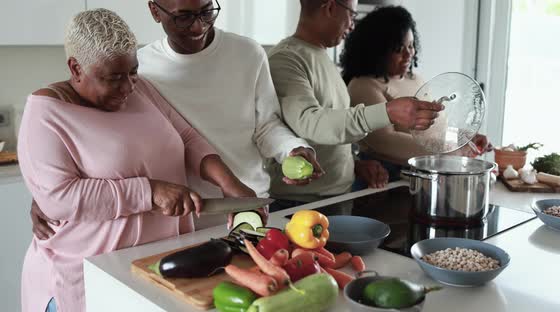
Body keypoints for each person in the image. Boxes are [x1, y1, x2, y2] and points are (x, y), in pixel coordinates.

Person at [19, 9, 254, 312]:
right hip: (88, 276)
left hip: (156, 264)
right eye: (114, 78)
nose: (128, 86)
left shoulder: (141, 89)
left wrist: (230, 185)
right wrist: (150, 192)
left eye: (133, 72)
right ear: (76, 68)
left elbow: (187, 138)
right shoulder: (44, 114)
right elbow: (58, 199)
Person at [30, 0, 324, 236]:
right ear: (155, 10)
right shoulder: (140, 67)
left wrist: (289, 149)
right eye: (184, 16)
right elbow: (81, 157)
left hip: (241, 202)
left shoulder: (246, 54)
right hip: (182, 218)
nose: (198, 26)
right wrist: (46, 192)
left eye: (207, 11)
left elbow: (258, 127)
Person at [266, 0, 444, 207]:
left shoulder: (321, 55)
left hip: (336, 195)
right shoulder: (287, 59)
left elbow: (331, 132)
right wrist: (387, 112)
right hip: (295, 202)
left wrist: (354, 164)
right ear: (331, 8)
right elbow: (311, 123)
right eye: (351, 14)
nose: (352, 24)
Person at [341, 5, 492, 187]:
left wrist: (464, 138)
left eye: (411, 46)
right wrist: (451, 150)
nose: (408, 55)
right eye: (398, 49)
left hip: (425, 175)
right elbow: (386, 142)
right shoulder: (364, 84)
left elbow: (434, 129)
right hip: (389, 180)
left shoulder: (416, 79)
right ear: (377, 50)